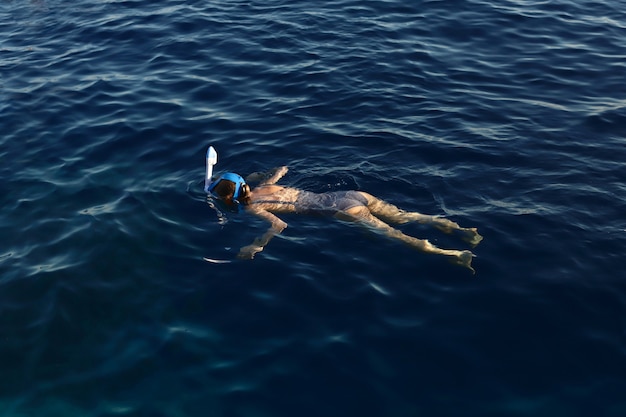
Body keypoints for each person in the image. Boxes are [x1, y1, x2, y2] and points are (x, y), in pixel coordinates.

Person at [208, 166, 483, 272]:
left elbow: (280, 224)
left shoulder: (252, 208)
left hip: (340, 212)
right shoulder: (265, 187)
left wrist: (257, 244)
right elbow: (278, 172)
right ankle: (462, 229)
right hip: (351, 195)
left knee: (396, 236)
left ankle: (453, 254)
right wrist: (271, 173)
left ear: (229, 200)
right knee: (407, 216)